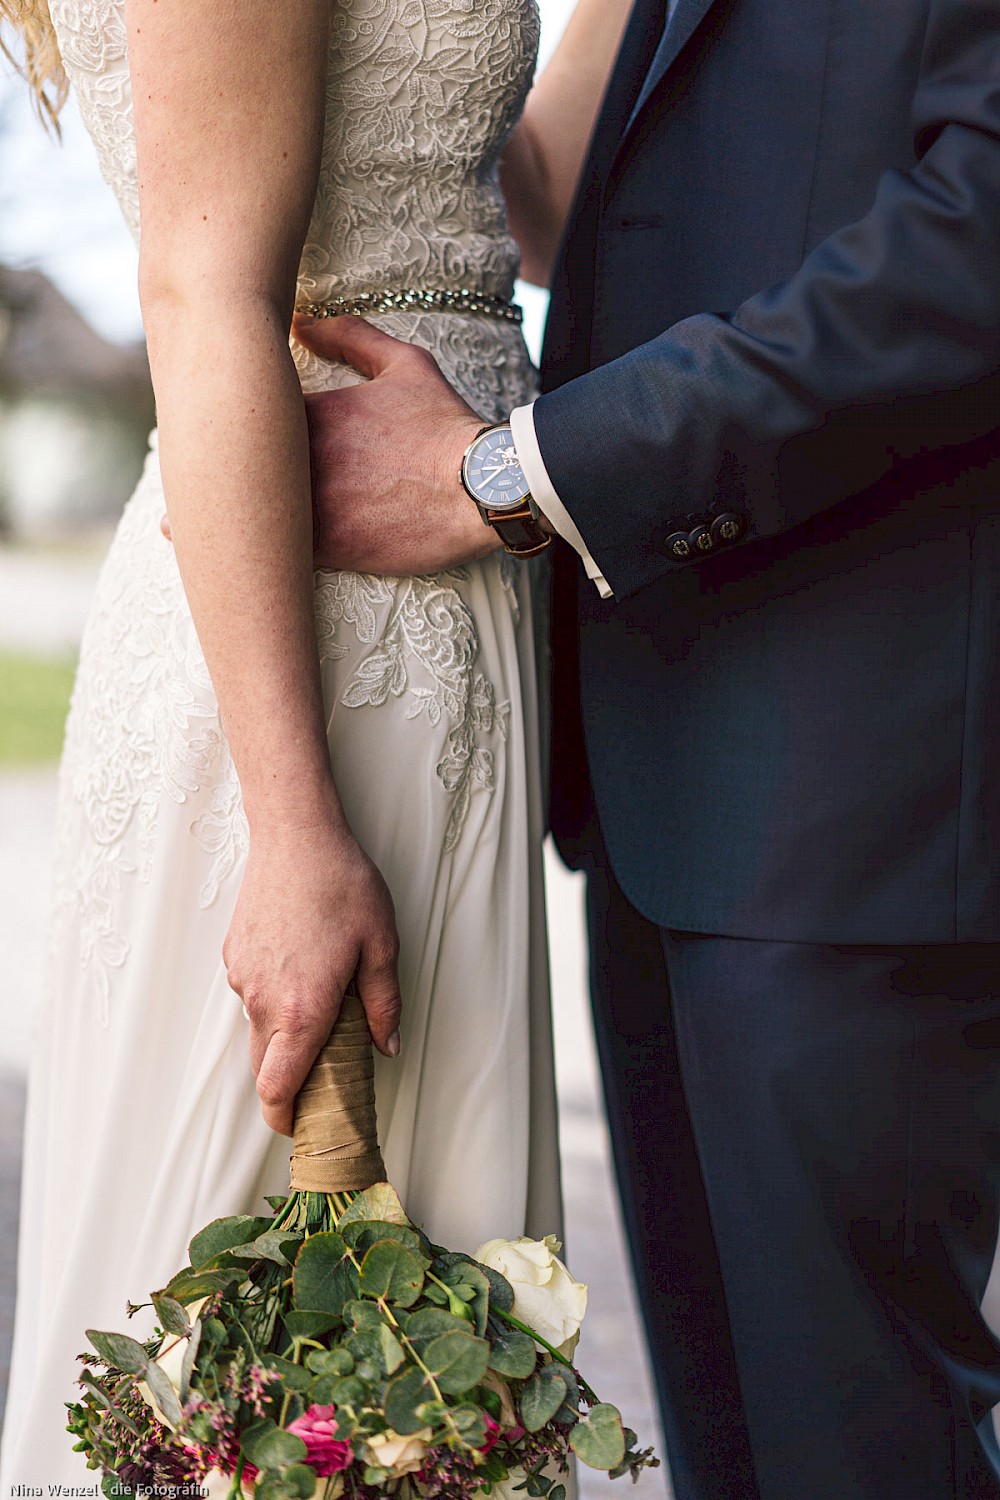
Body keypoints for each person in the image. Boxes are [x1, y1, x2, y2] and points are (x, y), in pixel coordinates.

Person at [290, 0, 1000, 1496]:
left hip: (863, 777)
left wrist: (514, 477)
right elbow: (586, 199)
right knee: (735, 1442)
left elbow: (973, 248)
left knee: (860, 1441)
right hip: (656, 762)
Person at [0, 0, 570, 1490]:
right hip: (315, 644)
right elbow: (200, 287)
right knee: (273, 1366)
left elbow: (519, 191)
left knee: (405, 1372)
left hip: (425, 614)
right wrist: (294, 822)